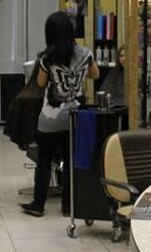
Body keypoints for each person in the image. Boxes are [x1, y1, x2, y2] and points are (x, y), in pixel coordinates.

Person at [20, 11, 100, 217]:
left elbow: (40, 83)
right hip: (76, 117)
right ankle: (67, 206)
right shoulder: (85, 53)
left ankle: (38, 205)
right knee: (70, 161)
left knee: (44, 160)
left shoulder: (47, 58)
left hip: (51, 118)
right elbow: (95, 74)